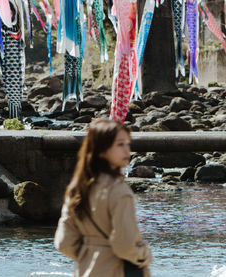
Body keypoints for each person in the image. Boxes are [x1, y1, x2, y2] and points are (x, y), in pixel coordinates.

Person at [54, 118, 152, 276]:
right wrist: (144, 255)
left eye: (128, 144)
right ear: (102, 150)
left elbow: (63, 242)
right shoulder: (119, 191)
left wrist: (89, 253)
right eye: (120, 145)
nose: (127, 150)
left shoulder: (77, 187)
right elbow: (125, 245)